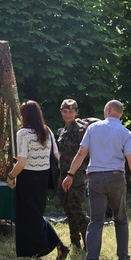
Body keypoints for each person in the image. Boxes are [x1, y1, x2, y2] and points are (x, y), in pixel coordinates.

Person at [62, 100, 131, 260]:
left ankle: (92, 259)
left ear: (108, 110)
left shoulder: (93, 128)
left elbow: (81, 153)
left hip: (95, 178)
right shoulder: (126, 133)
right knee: (121, 219)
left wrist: (70, 174)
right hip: (116, 177)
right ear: (120, 114)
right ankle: (123, 258)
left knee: (96, 220)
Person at [6, 101, 70, 260]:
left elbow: (21, 162)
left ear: (25, 115)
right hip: (43, 177)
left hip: (27, 176)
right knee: (35, 214)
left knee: (30, 216)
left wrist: (11, 176)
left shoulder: (23, 134)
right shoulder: (46, 131)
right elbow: (57, 156)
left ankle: (59, 244)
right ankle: (35, 252)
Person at [56, 99, 90, 250]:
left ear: (77, 112)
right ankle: (75, 241)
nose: (67, 114)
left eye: (71, 111)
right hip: (63, 174)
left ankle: (89, 240)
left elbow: (86, 152)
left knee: (76, 207)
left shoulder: (80, 130)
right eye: (65, 111)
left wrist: (86, 171)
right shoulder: (63, 130)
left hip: (76, 175)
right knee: (68, 209)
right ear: (61, 112)